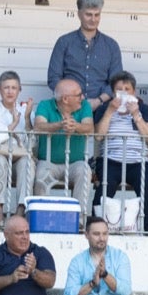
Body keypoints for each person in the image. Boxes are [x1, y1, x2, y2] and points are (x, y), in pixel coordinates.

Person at [92, 72, 148, 234]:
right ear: (113, 93)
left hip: (137, 161)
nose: (123, 93)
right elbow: (99, 135)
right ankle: (95, 225)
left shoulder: (143, 109)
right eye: (119, 89)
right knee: (103, 193)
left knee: (146, 191)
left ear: (133, 92)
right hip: (110, 160)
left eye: (127, 89)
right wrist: (109, 111)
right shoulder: (103, 109)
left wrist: (136, 115)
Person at [48, 0, 121, 111]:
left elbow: (116, 82)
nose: (93, 19)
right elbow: (53, 78)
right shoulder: (64, 42)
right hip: (69, 105)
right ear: (79, 14)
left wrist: (98, 101)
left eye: (97, 15)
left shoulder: (111, 45)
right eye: (88, 15)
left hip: (102, 107)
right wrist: (73, 98)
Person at [32, 79, 95, 214]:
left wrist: (75, 126)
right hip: (48, 162)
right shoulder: (45, 105)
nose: (82, 97)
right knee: (40, 176)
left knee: (85, 171)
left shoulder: (84, 106)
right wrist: (60, 125)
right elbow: (38, 126)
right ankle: (41, 217)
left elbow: (90, 128)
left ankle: (78, 218)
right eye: (78, 95)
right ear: (65, 99)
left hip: (75, 163)